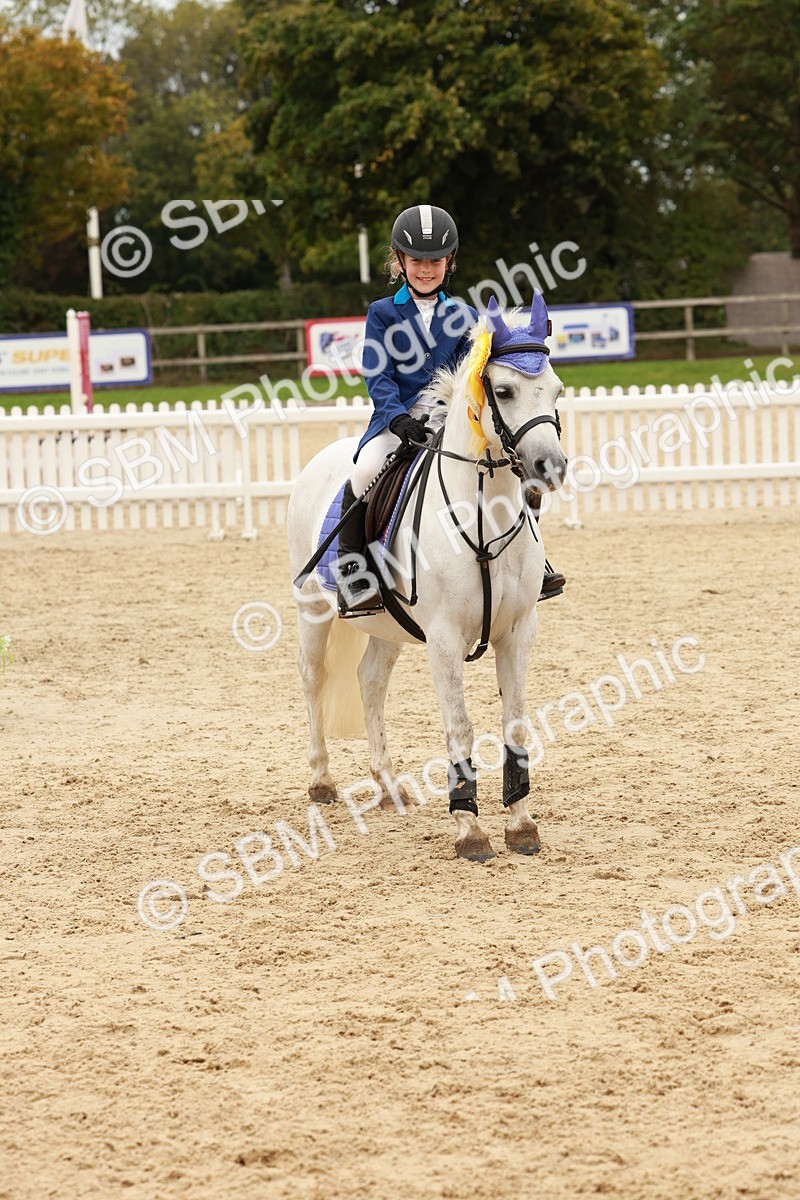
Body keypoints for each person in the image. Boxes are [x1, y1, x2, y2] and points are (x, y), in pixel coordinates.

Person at [336, 203, 565, 616]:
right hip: (398, 422)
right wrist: (397, 417)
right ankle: (354, 569)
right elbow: (378, 375)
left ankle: (535, 559)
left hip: (452, 422)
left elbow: (470, 374)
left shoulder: (464, 315)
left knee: (515, 466)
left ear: (449, 262)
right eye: (418, 261)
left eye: (436, 261)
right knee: (365, 469)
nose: (427, 269)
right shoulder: (382, 314)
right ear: (400, 261)